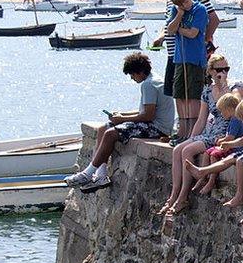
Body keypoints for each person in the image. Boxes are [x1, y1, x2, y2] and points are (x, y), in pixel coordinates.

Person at [65, 53, 175, 192]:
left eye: (132, 75)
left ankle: (88, 173)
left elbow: (148, 115)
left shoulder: (148, 85)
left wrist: (122, 119)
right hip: (154, 124)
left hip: (158, 128)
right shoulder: (154, 79)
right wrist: (122, 115)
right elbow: (146, 110)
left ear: (140, 72)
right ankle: (101, 174)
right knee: (103, 129)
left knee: (111, 133)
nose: (132, 78)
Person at [158, 55, 243, 216]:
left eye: (226, 69)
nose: (223, 72)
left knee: (187, 152)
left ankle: (183, 197)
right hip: (210, 131)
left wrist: (224, 85)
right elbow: (201, 119)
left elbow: (237, 104)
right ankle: (173, 194)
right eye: (219, 70)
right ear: (211, 71)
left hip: (225, 133)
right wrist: (191, 137)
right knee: (179, 149)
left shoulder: (235, 86)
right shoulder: (207, 91)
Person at [151, 0, 219, 98]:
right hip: (174, 53)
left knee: (193, 92)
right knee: (176, 92)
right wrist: (161, 37)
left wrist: (205, 40)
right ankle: (182, 119)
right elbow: (168, 22)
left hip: (191, 54)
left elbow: (214, 19)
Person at [166, 0, 209, 140]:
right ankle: (182, 129)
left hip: (195, 59)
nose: (185, 5)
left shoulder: (200, 9)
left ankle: (193, 130)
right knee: (179, 94)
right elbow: (170, 30)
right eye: (180, 4)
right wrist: (179, 15)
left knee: (192, 95)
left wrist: (178, 28)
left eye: (185, 1)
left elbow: (192, 33)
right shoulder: (176, 10)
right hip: (179, 59)